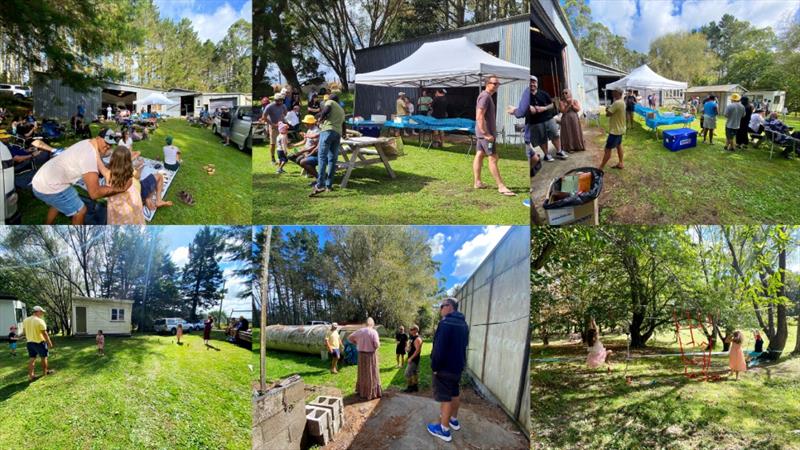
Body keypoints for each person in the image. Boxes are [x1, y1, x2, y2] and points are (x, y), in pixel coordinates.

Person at [32, 129, 130, 225]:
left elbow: (96, 156)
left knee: (58, 203)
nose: (108, 146)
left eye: (111, 144)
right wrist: (121, 188)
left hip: (42, 178)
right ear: (98, 138)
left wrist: (105, 171)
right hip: (49, 186)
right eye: (106, 142)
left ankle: (47, 225)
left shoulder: (89, 142)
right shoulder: (88, 158)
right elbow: (94, 193)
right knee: (81, 211)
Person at [427, 297, 469, 443]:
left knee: (445, 397)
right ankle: (453, 420)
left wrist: (435, 367)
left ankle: (443, 429)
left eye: (442, 306)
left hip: (445, 368)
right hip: (458, 367)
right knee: (454, 392)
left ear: (450, 307)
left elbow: (439, 348)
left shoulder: (445, 323)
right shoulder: (464, 324)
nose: (440, 309)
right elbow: (465, 345)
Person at [474, 75, 515, 196]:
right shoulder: (485, 97)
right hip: (485, 135)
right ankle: (501, 186)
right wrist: (485, 133)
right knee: (493, 158)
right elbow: (479, 115)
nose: (497, 85)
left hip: (482, 134)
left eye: (498, 83)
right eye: (494, 83)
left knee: (480, 155)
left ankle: (477, 182)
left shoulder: (486, 96)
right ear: (487, 84)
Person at [310, 91, 345, 197]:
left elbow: (326, 109)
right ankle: (328, 185)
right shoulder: (341, 110)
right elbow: (344, 124)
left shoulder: (330, 102)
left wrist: (320, 119)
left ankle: (320, 184)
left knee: (322, 157)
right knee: (332, 160)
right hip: (337, 134)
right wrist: (345, 134)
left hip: (328, 131)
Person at [526, 75, 567, 162]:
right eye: (530, 82)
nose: (532, 84)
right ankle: (546, 154)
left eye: (533, 82)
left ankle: (559, 151)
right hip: (535, 122)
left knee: (555, 134)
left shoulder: (543, 93)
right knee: (542, 138)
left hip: (549, 118)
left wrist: (544, 108)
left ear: (537, 83)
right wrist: (529, 108)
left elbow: (552, 104)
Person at [103, 145, 145, 225]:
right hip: (130, 200)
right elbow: (137, 176)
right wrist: (140, 168)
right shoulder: (130, 172)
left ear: (113, 158)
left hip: (115, 202)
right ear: (128, 161)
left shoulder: (108, 173)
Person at [348, 317, 382, 400]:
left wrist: (356, 342)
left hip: (361, 355)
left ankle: (362, 391)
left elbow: (349, 338)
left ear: (366, 323)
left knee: (362, 373)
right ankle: (371, 392)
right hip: (371, 355)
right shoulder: (373, 332)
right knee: (372, 373)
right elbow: (377, 344)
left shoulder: (360, 331)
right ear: (372, 324)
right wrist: (375, 347)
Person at [21, 306, 55, 381]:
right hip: (39, 342)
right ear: (37, 311)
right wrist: (49, 343)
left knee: (32, 359)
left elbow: (24, 332)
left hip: (29, 343)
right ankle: (45, 373)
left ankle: (31, 376)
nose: (42, 313)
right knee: (44, 357)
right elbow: (44, 333)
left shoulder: (26, 320)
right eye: (42, 312)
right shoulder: (39, 321)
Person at [599, 88, 626, 170]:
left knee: (607, 150)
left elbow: (608, 114)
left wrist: (607, 110)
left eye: (614, 91)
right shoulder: (622, 102)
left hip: (615, 131)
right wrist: (609, 110)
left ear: (618, 93)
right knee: (619, 146)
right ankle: (621, 163)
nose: (612, 92)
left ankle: (600, 168)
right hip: (620, 129)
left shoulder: (617, 103)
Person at [289, 115, 321, 179]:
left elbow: (314, 146)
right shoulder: (309, 130)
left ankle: (315, 174)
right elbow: (304, 141)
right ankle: (310, 171)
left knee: (299, 159)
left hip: (312, 152)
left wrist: (303, 151)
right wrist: (294, 145)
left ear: (310, 123)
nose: (304, 124)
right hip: (306, 150)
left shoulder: (316, 131)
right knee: (291, 156)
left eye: (305, 123)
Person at [265, 94, 288, 164]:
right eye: (278, 101)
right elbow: (264, 117)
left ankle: (281, 157)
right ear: (275, 100)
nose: (279, 102)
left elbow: (285, 113)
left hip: (281, 126)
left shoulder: (283, 106)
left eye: (281, 100)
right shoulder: (269, 106)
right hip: (273, 127)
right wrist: (272, 124)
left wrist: (282, 121)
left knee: (283, 141)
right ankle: (272, 158)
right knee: (273, 143)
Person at [403, 324, 422, 393]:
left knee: (407, 373)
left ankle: (410, 387)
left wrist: (411, 358)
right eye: (410, 329)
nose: (410, 330)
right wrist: (407, 348)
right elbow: (410, 347)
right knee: (414, 373)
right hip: (412, 358)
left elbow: (417, 351)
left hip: (414, 359)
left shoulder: (417, 339)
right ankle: (415, 387)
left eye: (412, 329)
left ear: (416, 330)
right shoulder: (412, 338)